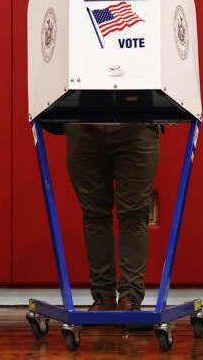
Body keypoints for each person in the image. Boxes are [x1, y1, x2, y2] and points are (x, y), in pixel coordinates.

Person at [63, 122, 160, 311]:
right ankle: (103, 297)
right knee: (94, 215)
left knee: (134, 214)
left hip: (137, 124)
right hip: (83, 125)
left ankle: (129, 298)